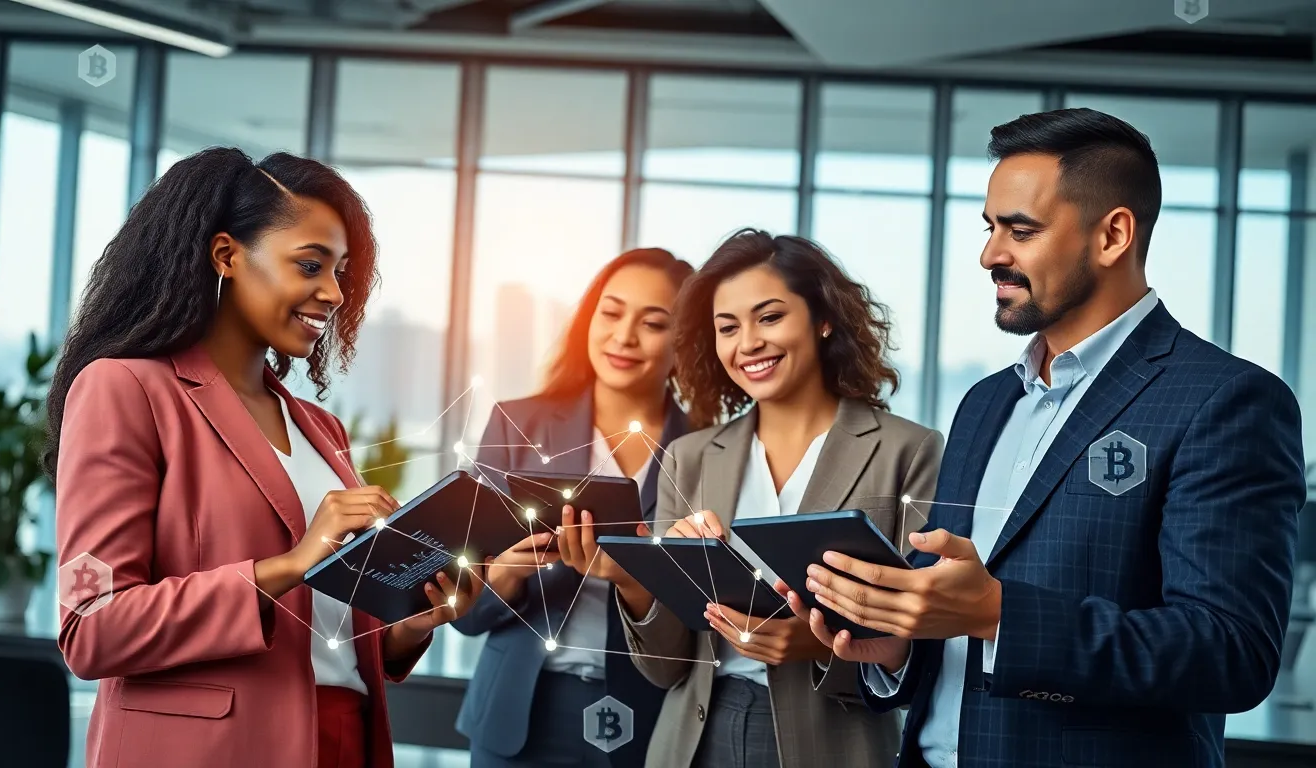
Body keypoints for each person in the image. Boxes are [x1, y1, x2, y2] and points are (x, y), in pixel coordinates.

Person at [788, 108, 1307, 768]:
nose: (989, 255)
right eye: (990, 228)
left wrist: (999, 614)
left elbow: (1231, 653)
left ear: (1113, 234)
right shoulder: (984, 404)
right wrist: (897, 647)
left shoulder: (1226, 401)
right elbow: (954, 622)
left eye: (1020, 230)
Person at [45, 147, 483, 768]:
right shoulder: (125, 388)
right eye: (310, 265)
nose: (333, 293)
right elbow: (92, 625)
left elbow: (323, 641)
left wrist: (413, 625)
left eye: (341, 273)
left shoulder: (320, 429)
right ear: (227, 255)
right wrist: (288, 565)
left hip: (341, 739)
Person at [616, 229, 944, 768]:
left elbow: (925, 637)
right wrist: (639, 583)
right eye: (728, 328)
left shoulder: (908, 451)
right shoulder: (689, 457)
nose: (747, 344)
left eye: (769, 317)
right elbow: (664, 669)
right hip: (696, 738)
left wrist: (816, 646)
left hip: (834, 738)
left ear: (823, 319)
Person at [450, 247, 699, 768]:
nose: (624, 336)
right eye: (610, 313)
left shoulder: (703, 452)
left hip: (645, 718)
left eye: (653, 323)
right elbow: (462, 613)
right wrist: (505, 577)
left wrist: (636, 580)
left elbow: (699, 613)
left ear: (685, 341)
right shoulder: (517, 426)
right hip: (520, 709)